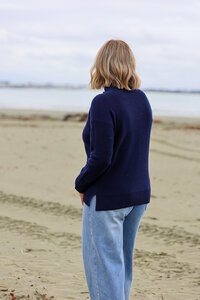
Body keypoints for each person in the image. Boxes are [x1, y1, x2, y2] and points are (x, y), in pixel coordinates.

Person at [74, 39, 153, 300]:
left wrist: (81, 184)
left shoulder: (103, 103)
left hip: (108, 199)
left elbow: (101, 158)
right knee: (120, 268)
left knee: (104, 271)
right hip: (138, 196)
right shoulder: (142, 100)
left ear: (102, 65)